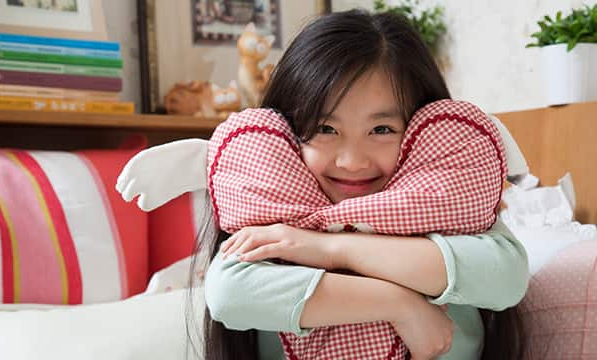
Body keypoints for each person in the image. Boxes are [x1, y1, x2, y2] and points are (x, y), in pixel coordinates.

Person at [195, 9, 529, 360]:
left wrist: (326, 248)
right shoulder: (279, 218)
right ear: (289, 133)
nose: (352, 161)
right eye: (326, 129)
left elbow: (506, 276)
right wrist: (400, 305)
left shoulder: (449, 210)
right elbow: (230, 293)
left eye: (382, 130)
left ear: (425, 131)